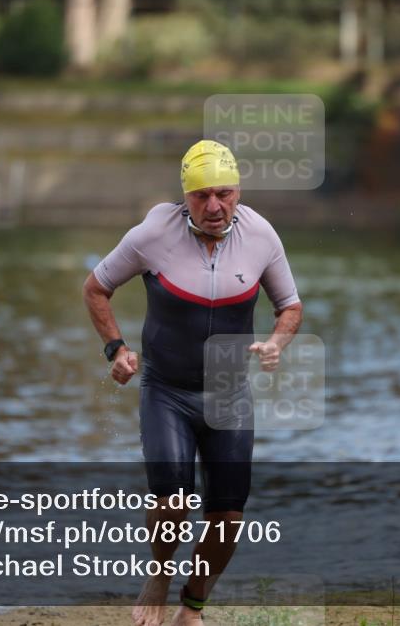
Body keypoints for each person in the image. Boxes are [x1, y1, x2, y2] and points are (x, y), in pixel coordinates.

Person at [82, 140, 303, 626]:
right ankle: (159, 575)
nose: (214, 206)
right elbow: (96, 288)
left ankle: (193, 606)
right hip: (167, 392)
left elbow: (290, 306)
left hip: (229, 397)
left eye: (224, 194)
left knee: (228, 518)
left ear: (238, 191)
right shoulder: (153, 234)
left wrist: (276, 344)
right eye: (202, 196)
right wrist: (116, 349)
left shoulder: (261, 235)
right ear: (186, 197)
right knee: (172, 502)